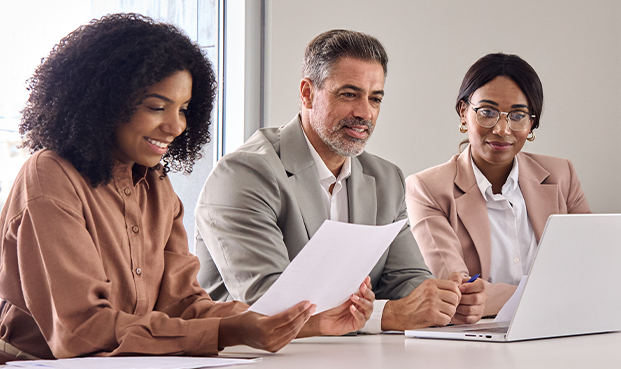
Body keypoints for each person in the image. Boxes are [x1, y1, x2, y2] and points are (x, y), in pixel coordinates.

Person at [0, 14, 342, 368]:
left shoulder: (156, 184)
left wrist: (298, 319)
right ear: (103, 102)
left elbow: (183, 305)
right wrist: (227, 330)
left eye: (183, 109)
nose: (176, 125)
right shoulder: (51, 177)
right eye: (157, 107)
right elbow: (80, 331)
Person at [194, 29, 487, 332]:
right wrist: (387, 316)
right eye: (349, 94)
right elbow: (270, 304)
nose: (365, 113)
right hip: (253, 358)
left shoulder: (386, 179)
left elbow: (405, 279)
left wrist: (445, 301)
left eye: (375, 98)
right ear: (307, 93)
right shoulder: (243, 174)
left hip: (349, 356)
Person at [406, 53, 621, 319]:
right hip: (479, 342)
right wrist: (585, 295)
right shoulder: (427, 188)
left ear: (532, 123)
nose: (502, 129)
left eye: (518, 115)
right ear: (464, 113)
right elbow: (461, 295)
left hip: (560, 331)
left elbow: (597, 264)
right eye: (487, 112)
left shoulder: (560, 175)